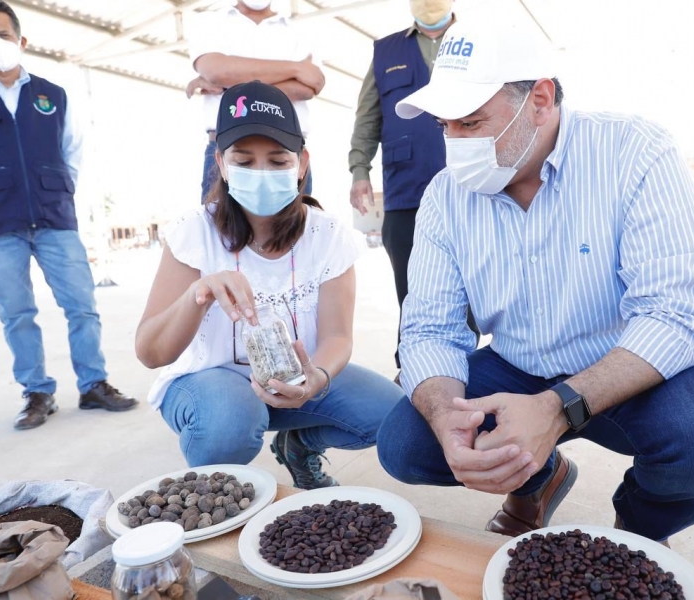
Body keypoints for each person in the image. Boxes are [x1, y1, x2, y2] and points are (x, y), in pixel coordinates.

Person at [375, 21, 694, 544]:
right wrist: (448, 417)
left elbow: (676, 312)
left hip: (627, 366)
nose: (454, 144)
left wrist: (556, 408)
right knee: (408, 443)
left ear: (539, 99)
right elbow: (429, 330)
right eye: (445, 125)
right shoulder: (446, 197)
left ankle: (640, 525)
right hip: (517, 363)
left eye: (470, 122)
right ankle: (538, 480)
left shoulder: (633, 151)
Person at [136, 82, 402, 488]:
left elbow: (336, 338)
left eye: (278, 161)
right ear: (221, 164)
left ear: (302, 164)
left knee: (394, 416)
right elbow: (150, 352)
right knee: (230, 420)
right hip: (212, 385)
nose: (261, 174)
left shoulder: (328, 236)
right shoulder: (194, 232)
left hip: (296, 376)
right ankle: (217, 493)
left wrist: (317, 378)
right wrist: (198, 295)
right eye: (244, 161)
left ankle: (300, 445)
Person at [0, 0, 137, 431]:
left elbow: (72, 152)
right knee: (17, 313)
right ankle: (37, 393)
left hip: (55, 219)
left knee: (82, 306)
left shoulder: (52, 94)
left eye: (2, 34)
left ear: (21, 41)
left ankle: (93, 384)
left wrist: (58, 194)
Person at [348, 0, 478, 379]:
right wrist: (359, 170)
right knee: (411, 290)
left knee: (471, 291)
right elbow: (368, 117)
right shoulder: (385, 51)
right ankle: (414, 371)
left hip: (471, 188)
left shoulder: (475, 40)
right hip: (406, 190)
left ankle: (466, 368)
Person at [186, 0, 325, 202]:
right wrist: (296, 69)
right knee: (221, 221)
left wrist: (227, 87)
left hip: (287, 153)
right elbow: (216, 70)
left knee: (294, 221)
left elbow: (308, 87)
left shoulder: (301, 31)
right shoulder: (208, 22)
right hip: (228, 148)